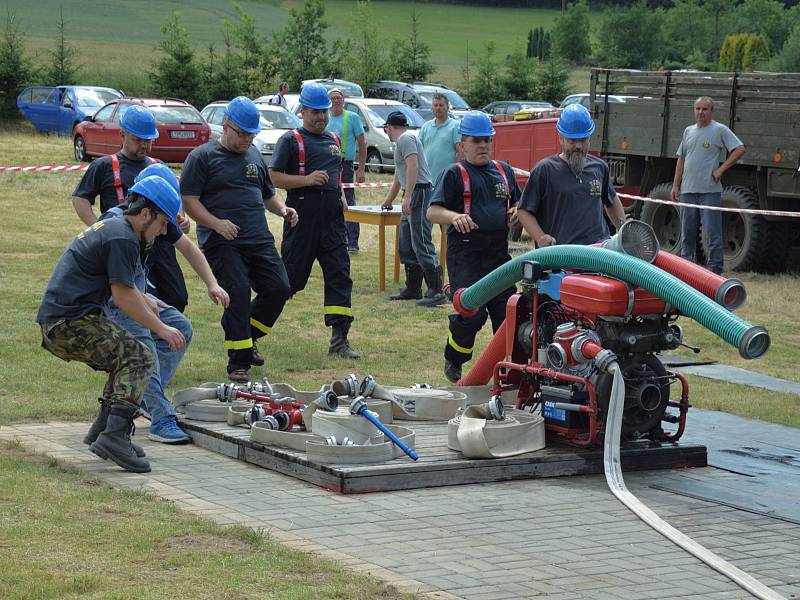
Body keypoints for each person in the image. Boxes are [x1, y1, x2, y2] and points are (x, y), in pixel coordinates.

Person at [37, 175, 186, 473]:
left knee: (124, 355)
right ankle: (115, 436)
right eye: (162, 223)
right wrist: (162, 328)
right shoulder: (122, 236)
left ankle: (104, 430)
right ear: (145, 213)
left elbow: (126, 287)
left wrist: (146, 300)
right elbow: (121, 296)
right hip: (68, 323)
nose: (164, 230)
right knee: (139, 356)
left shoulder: (118, 228)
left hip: (65, 319)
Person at [100, 164, 230, 444]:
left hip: (138, 292)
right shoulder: (118, 225)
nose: (164, 229)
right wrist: (152, 314)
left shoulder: (150, 214)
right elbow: (119, 289)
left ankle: (148, 397)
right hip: (115, 299)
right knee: (145, 345)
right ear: (148, 207)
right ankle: (161, 418)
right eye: (163, 220)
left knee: (180, 326)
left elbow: (188, 247)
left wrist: (212, 283)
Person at [181, 96, 297, 384]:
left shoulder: (255, 155)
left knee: (279, 287)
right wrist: (216, 224)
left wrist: (282, 209)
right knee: (238, 292)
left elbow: (268, 194)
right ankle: (238, 362)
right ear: (226, 126)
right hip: (221, 241)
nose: (247, 139)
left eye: (251, 134)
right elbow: (189, 200)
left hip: (258, 238)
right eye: (242, 133)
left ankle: (247, 334)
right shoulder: (202, 157)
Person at [269, 83, 361, 360]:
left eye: (323, 112)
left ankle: (340, 339)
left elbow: (336, 174)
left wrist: (341, 195)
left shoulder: (333, 139)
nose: (321, 117)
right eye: (315, 112)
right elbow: (272, 178)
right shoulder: (291, 140)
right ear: (303, 111)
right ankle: (252, 327)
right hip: (302, 219)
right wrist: (307, 180)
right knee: (290, 281)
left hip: (332, 220)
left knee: (339, 276)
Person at [427, 112, 520, 383]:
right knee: (472, 314)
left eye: (487, 141)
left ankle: (509, 374)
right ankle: (454, 357)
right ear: (462, 145)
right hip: (465, 255)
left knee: (507, 317)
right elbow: (432, 211)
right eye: (476, 141)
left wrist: (516, 211)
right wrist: (454, 217)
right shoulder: (455, 174)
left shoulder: (504, 171)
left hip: (498, 256)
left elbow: (519, 205)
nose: (483, 146)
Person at [71, 104, 189, 312]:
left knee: (177, 298)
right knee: (140, 300)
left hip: (161, 245)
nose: (144, 144)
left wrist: (182, 219)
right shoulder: (105, 166)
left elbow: (176, 203)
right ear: (122, 135)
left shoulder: (158, 165)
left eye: (148, 140)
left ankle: (160, 339)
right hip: (127, 246)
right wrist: (100, 229)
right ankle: (143, 340)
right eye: (138, 139)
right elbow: (80, 200)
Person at [516, 103, 626, 247]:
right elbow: (524, 211)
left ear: (589, 139)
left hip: (598, 254)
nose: (578, 146)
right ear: (561, 139)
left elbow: (612, 201)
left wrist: (623, 231)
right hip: (561, 257)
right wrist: (541, 237)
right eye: (572, 140)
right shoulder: (545, 170)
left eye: (583, 140)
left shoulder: (599, 168)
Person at [671, 96, 745, 275]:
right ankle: (687, 268)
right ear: (694, 110)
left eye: (705, 109)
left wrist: (721, 169)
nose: (701, 113)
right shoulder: (688, 131)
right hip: (688, 191)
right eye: (698, 109)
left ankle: (714, 270)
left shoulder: (719, 130)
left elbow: (739, 148)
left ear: (712, 111)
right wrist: (675, 185)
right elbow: (681, 158)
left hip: (709, 191)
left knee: (712, 233)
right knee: (687, 233)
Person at [381, 110, 445, 307]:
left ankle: (435, 290)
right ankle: (413, 287)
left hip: (420, 192)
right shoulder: (403, 141)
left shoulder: (406, 138)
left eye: (387, 129)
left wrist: (408, 196)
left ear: (389, 127)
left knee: (421, 241)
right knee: (406, 243)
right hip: (412, 192)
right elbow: (400, 175)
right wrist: (389, 199)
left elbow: (413, 167)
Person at [325, 87, 367, 254]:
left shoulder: (352, 117)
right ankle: (335, 239)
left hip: (346, 165)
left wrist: (361, 169)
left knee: (348, 202)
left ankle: (352, 243)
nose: (336, 101)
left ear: (343, 100)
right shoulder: (325, 118)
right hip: (328, 164)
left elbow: (363, 144)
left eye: (339, 98)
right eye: (333, 98)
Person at [419, 92, 461, 185]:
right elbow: (418, 151)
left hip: (447, 180)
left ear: (447, 107)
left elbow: (461, 152)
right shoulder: (425, 127)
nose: (438, 108)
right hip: (427, 180)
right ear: (432, 108)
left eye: (441, 105)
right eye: (435, 105)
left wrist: (456, 174)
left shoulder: (455, 126)